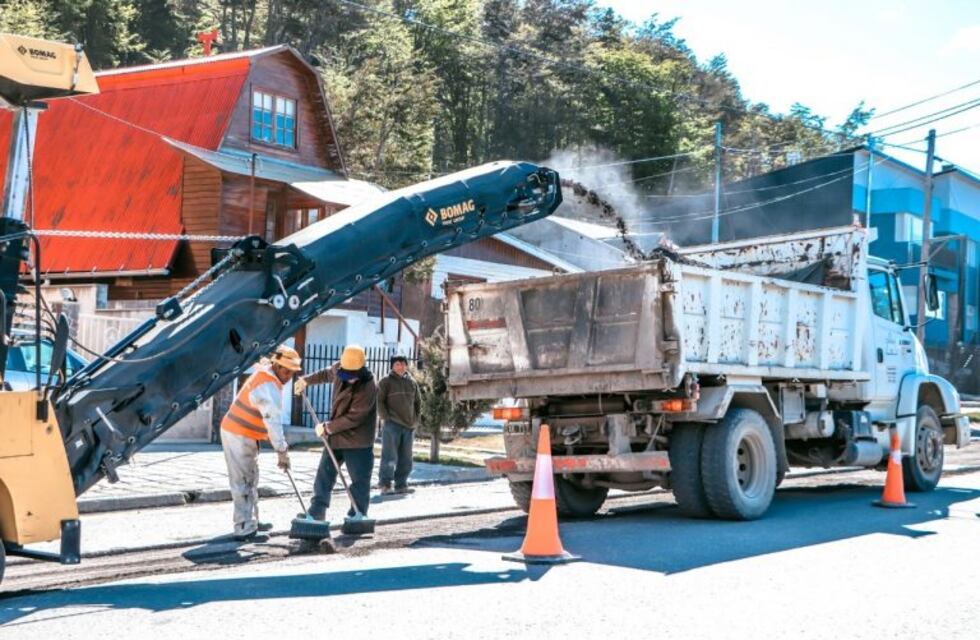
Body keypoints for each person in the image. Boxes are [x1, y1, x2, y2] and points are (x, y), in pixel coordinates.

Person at [220, 345, 301, 540]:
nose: (289, 376)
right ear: (277, 366)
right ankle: (244, 526)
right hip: (238, 433)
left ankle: (251, 520)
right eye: (287, 371)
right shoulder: (268, 386)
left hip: (244, 433)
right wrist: (282, 451)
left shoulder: (268, 375)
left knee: (251, 477)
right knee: (243, 481)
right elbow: (273, 422)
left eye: (292, 373)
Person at [294, 344, 377, 521]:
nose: (350, 379)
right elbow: (325, 374)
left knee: (359, 481)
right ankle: (317, 511)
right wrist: (306, 380)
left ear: (362, 369)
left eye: (353, 376)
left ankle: (357, 515)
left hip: (358, 440)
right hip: (336, 437)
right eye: (347, 374)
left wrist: (327, 427)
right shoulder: (340, 368)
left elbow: (354, 417)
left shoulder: (368, 385)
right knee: (324, 476)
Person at [377, 355, 421, 494]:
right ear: (392, 366)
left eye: (403, 364)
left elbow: (418, 402)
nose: (401, 367)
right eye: (397, 364)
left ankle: (401, 485)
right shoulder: (385, 382)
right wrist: (386, 418)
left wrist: (415, 420)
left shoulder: (412, 382)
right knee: (389, 456)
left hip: (409, 426)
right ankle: (385, 485)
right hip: (392, 425)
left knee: (406, 458)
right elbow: (379, 402)